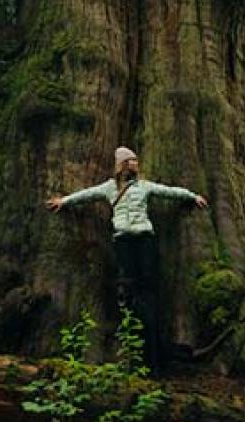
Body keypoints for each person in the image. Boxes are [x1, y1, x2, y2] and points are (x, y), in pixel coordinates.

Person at [46, 146, 208, 374]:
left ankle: (157, 346)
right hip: (124, 241)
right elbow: (87, 194)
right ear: (122, 165)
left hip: (145, 240)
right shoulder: (109, 188)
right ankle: (137, 338)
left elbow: (169, 191)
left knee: (149, 287)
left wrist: (192, 196)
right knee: (132, 288)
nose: (136, 165)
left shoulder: (145, 186)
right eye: (131, 162)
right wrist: (64, 201)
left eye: (136, 161)